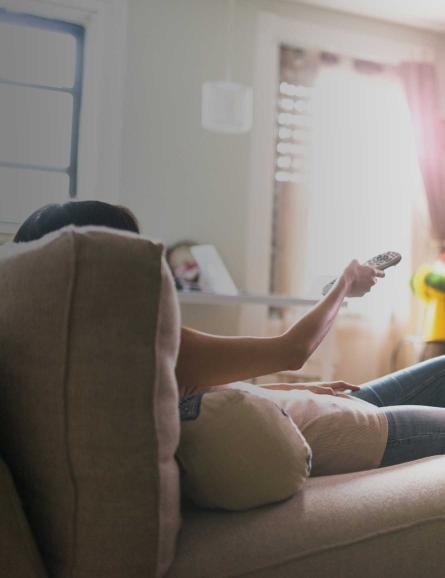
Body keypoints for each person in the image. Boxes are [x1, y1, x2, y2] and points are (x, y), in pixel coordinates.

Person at [12, 200, 445, 473]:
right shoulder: (139, 345)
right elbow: (293, 349)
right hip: (351, 429)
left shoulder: (94, 356)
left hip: (318, 404)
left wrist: (294, 388)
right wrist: (344, 286)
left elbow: (201, 396)